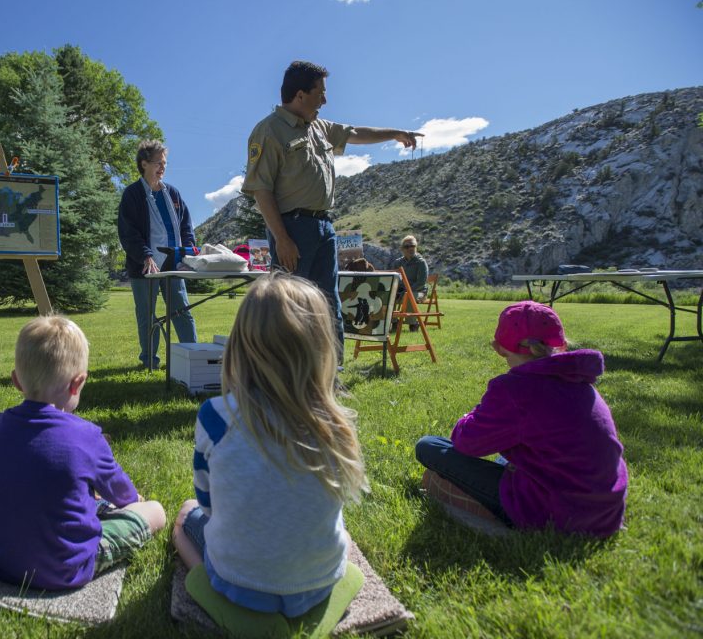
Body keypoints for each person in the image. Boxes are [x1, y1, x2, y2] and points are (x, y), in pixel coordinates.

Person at [172, 273, 368, 617]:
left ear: (240, 348)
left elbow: (208, 506)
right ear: (321, 349)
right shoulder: (335, 423)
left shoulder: (217, 416)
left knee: (184, 520)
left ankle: (207, 581)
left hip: (239, 585)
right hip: (319, 583)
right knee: (340, 535)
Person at [241, 60, 422, 347]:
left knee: (329, 302)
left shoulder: (319, 127)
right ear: (300, 95)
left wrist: (395, 133)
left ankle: (331, 376)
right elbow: (261, 190)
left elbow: (355, 133)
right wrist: (282, 239)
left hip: (323, 227)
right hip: (291, 229)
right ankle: (290, 379)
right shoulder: (269, 131)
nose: (325, 99)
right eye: (320, 92)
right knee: (290, 306)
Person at [0, 316, 166, 590]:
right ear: (77, 383)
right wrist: (135, 500)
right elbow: (123, 495)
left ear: (16, 381)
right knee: (155, 511)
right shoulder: (87, 435)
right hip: (64, 568)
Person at [414, 301, 628, 538]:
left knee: (428, 446)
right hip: (605, 511)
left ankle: (496, 514)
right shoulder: (578, 381)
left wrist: (469, 416)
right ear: (560, 343)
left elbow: (466, 441)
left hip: (555, 511)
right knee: (506, 456)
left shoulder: (514, 389)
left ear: (500, 348)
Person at [117, 140, 198, 369]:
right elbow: (128, 232)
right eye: (158, 163)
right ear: (144, 164)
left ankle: (192, 356)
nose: (163, 167)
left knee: (181, 310)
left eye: (165, 163)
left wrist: (187, 254)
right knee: (146, 315)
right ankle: (149, 361)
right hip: (145, 265)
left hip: (175, 263)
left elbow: (186, 227)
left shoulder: (172, 193)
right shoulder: (132, 195)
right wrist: (145, 256)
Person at [390, 235, 429, 332]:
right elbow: (394, 279)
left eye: (413, 246)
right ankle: (394, 322)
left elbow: (421, 282)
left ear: (416, 247)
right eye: (407, 247)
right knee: (389, 296)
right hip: (402, 291)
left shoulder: (421, 262)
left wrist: (408, 290)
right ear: (402, 249)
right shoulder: (398, 263)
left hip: (420, 293)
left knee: (408, 295)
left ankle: (413, 323)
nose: (410, 248)